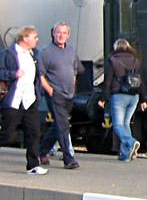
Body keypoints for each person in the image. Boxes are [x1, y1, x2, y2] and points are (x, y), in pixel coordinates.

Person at [0, 27, 47, 174]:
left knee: (34, 132)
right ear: (25, 38)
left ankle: (33, 165)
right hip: (14, 99)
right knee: (8, 133)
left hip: (30, 99)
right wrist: (14, 74)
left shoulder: (34, 54)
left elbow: (39, 75)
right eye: (34, 37)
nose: (37, 40)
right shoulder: (8, 54)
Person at [38, 22, 84, 170]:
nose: (61, 35)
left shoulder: (71, 50)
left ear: (68, 35)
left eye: (64, 33)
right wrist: (50, 91)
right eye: (58, 32)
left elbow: (75, 70)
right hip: (55, 94)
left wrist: (73, 85)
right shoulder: (45, 51)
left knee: (58, 125)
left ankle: (41, 152)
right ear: (53, 33)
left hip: (69, 94)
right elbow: (41, 75)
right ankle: (68, 159)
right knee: (63, 125)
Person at [97, 39, 147, 162]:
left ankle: (131, 142)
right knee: (126, 124)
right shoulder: (136, 61)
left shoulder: (113, 61)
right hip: (134, 96)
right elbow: (141, 82)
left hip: (119, 96)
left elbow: (108, 81)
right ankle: (125, 155)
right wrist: (143, 99)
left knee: (118, 125)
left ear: (116, 48)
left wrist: (103, 98)